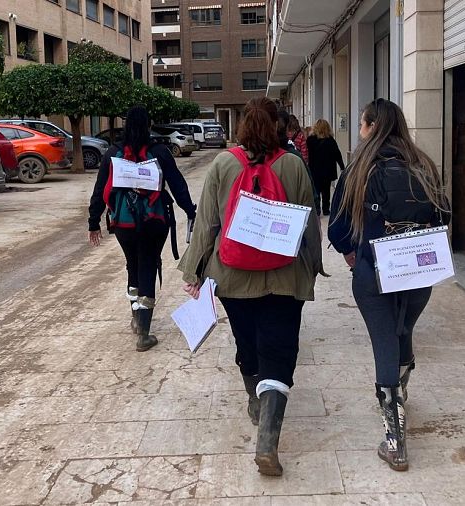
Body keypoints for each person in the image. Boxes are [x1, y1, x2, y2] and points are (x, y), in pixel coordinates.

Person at [178, 97, 323, 477]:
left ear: (242, 127)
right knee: (279, 350)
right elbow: (309, 223)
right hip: (285, 278)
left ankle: (255, 400)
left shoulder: (223, 164)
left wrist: (193, 271)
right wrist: (315, 266)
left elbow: (207, 222)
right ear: (278, 125)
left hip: (231, 277)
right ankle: (267, 442)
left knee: (248, 345)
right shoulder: (293, 165)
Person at [328, 98, 449, 472]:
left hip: (373, 270)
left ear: (369, 127)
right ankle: (404, 371)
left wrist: (352, 252)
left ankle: (395, 440)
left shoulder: (359, 169)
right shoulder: (424, 165)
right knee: (403, 329)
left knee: (384, 339)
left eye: (363, 125)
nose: (361, 131)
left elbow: (337, 227)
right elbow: (443, 214)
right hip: (419, 269)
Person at [88, 106, 197, 352]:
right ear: (148, 125)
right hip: (153, 222)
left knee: (133, 265)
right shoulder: (160, 152)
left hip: (123, 223)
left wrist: (93, 222)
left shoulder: (113, 153)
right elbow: (178, 185)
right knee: (148, 264)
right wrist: (191, 211)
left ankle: (137, 319)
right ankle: (144, 334)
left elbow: (99, 189)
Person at [307, 119, 345, 215]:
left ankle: (317, 210)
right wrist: (342, 166)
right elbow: (337, 154)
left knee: (316, 190)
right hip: (327, 171)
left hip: (314, 170)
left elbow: (306, 154)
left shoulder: (310, 140)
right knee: (326, 191)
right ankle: (326, 209)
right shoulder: (330, 141)